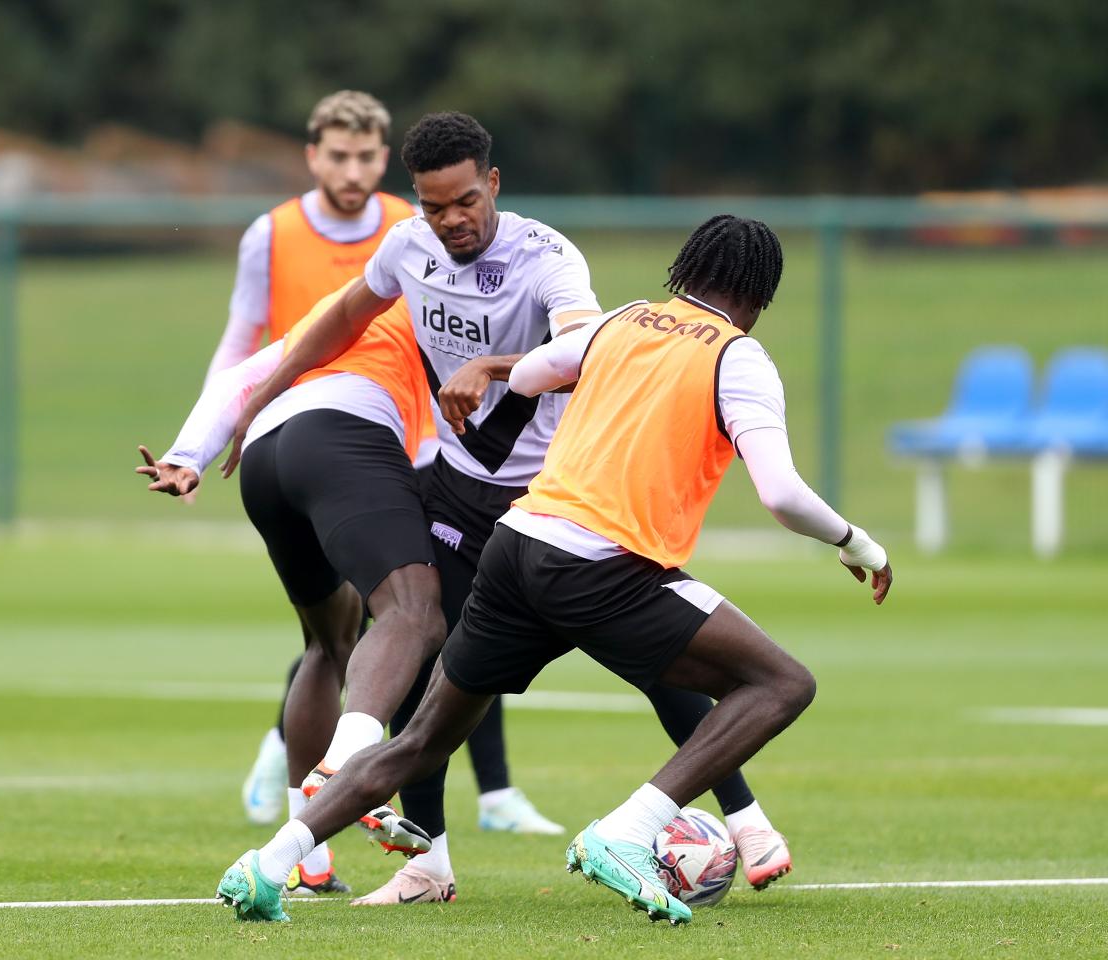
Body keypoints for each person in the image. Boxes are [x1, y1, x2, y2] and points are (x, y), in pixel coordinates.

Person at [214, 214, 893, 925]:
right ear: (762, 293)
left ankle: (266, 863)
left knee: (421, 739)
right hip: (604, 564)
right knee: (783, 683)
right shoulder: (740, 357)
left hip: (515, 544)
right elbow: (781, 492)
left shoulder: (624, 320)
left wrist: (488, 367)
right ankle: (626, 833)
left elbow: (536, 373)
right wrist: (856, 542)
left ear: (683, 270)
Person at [204, 91, 556, 847]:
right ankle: (349, 764)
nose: (452, 218)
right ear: (312, 156)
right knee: (421, 618)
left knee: (342, 640)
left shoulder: (480, 240)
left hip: (293, 446)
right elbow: (292, 330)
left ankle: (314, 831)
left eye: (465, 200)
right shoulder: (310, 236)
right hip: (354, 443)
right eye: (437, 208)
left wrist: (228, 425)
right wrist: (231, 414)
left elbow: (588, 349)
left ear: (492, 184)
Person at [139, 288, 444, 898]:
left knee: (326, 644)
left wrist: (186, 454)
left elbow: (241, 377)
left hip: (266, 456)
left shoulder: (343, 308)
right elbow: (448, 441)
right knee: (413, 613)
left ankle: (310, 860)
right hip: (342, 440)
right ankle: (346, 765)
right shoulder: (447, 308)